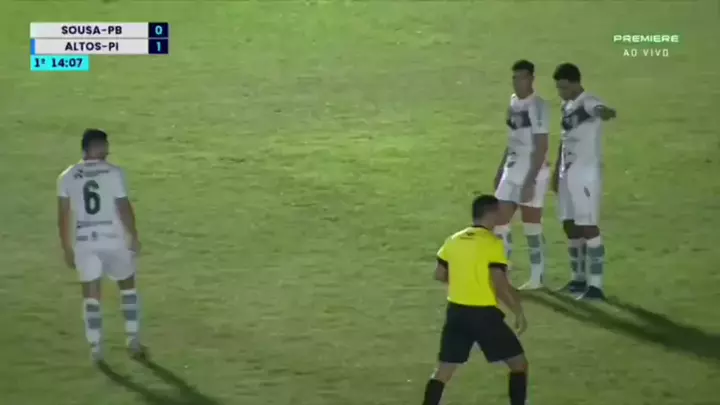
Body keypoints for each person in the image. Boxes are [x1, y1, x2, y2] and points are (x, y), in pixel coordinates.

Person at [421, 195, 529, 405]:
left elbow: (439, 274)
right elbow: (499, 282)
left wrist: (464, 281)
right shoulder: (492, 243)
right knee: (519, 363)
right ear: (491, 214)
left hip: (456, 312)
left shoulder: (454, 240)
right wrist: (517, 310)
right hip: (483, 315)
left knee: (443, 370)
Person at [57, 129, 146, 363]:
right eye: (104, 145)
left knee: (91, 296)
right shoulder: (114, 172)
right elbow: (123, 207)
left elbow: (63, 215)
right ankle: (132, 340)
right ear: (94, 147)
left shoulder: (67, 176)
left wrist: (66, 247)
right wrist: (133, 235)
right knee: (128, 287)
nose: (107, 150)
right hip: (114, 239)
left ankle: (95, 348)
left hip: (85, 241)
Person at [551, 63, 617, 300]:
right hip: (566, 173)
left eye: (564, 87)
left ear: (576, 83)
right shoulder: (567, 106)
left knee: (588, 226)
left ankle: (596, 286)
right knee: (569, 225)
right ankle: (578, 279)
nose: (561, 92)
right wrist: (556, 171)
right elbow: (564, 139)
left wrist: (605, 112)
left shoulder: (588, 102)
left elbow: (600, 110)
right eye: (558, 88)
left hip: (585, 174)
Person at [493, 60, 551, 290]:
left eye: (522, 78)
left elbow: (541, 146)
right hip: (512, 169)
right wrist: (500, 168)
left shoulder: (538, 106)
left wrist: (530, 181)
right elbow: (512, 139)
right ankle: (503, 274)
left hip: (532, 172)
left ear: (532, 79)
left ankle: (537, 277)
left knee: (531, 225)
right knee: (499, 222)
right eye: (515, 78)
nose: (518, 82)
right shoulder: (513, 102)